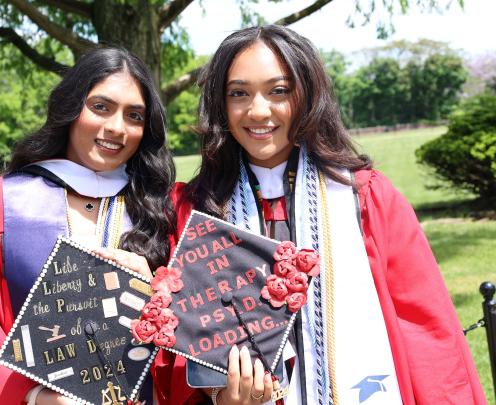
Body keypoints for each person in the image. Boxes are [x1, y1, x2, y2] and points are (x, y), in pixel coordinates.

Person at [152, 25, 487, 405]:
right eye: (238, 93)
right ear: (220, 105)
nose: (258, 110)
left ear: (307, 96)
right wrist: (220, 395)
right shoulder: (197, 211)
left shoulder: (366, 199)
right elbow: (178, 361)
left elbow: (428, 337)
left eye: (279, 91)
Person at [0, 46, 175, 404]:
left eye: (134, 115)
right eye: (100, 107)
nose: (116, 127)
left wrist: (157, 293)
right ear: (71, 108)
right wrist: (37, 396)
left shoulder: (161, 211)